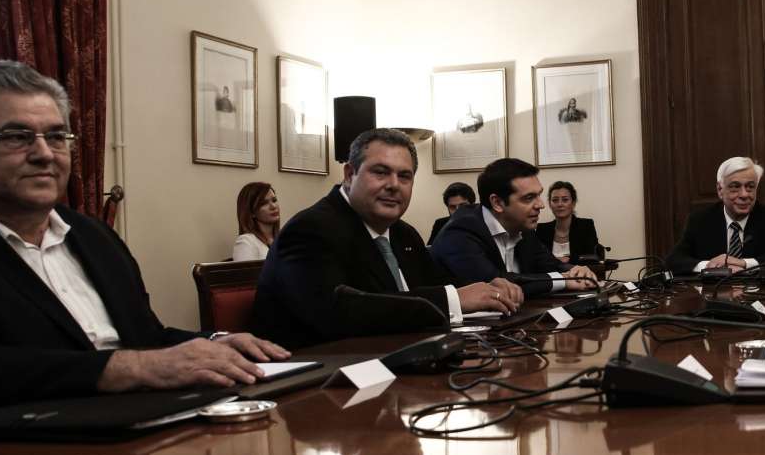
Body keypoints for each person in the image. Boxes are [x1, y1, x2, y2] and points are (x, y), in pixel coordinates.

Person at [0, 61, 289, 414]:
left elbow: (146, 340)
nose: (44, 154)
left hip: (150, 421)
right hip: (29, 440)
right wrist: (125, 369)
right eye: (16, 137)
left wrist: (217, 343)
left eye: (56, 137)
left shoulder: (95, 236)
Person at [253, 129, 522, 350]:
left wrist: (486, 289)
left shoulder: (403, 233)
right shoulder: (311, 229)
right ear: (349, 175)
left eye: (404, 176)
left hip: (403, 362)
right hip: (320, 378)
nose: (394, 184)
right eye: (380, 172)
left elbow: (435, 284)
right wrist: (454, 298)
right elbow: (336, 312)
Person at [431, 157, 597, 297]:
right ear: (497, 203)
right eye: (529, 198)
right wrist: (564, 280)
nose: (540, 205)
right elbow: (498, 285)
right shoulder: (459, 233)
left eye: (539, 195)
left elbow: (551, 265)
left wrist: (576, 271)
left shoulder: (521, 226)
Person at [665, 156, 765, 276]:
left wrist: (744, 263)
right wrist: (710, 266)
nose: (744, 195)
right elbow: (673, 261)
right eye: (735, 187)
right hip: (712, 294)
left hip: (760, 294)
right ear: (720, 190)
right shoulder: (700, 220)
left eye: (750, 187)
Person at [534, 180, 601, 264]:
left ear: (573, 203)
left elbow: (594, 257)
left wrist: (569, 259)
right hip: (549, 272)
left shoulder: (586, 226)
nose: (560, 204)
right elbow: (536, 260)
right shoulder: (542, 229)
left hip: (579, 272)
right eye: (555, 200)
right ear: (550, 204)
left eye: (565, 200)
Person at [232, 181, 280, 260]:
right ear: (251, 212)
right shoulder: (246, 242)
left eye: (274, 200)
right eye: (264, 203)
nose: (273, 206)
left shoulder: (283, 238)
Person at [427, 180, 475, 245]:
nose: (458, 211)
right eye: (452, 207)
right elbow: (431, 249)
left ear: (473, 205)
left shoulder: (482, 224)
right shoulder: (440, 224)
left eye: (463, 205)